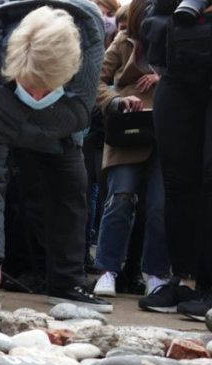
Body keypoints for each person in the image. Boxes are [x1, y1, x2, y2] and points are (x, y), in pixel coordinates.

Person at [0, 0, 110, 311]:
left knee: (73, 181)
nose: (35, 97)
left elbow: (77, 113)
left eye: (45, 90)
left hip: (57, 120)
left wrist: (46, 116)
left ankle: (67, 282)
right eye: (30, 86)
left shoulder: (87, 55)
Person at [137, 0, 212, 320]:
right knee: (178, 183)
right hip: (180, 72)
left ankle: (209, 285)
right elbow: (154, 12)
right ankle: (185, 279)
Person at [92, 0, 170, 298]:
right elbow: (95, 81)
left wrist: (164, 81)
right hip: (129, 129)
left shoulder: (178, 40)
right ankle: (107, 270)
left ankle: (155, 273)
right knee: (120, 198)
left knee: (160, 206)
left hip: (167, 129)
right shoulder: (123, 41)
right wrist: (117, 100)